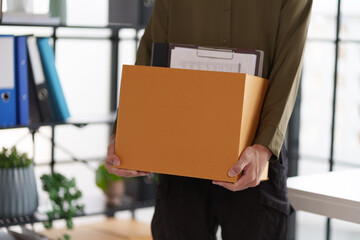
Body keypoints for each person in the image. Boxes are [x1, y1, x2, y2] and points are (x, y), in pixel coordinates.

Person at [105, 0, 312, 239]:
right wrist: (125, 134)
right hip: (180, 148)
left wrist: (264, 145)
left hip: (254, 152)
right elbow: (151, 50)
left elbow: (289, 65)